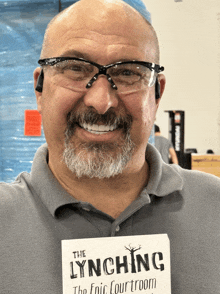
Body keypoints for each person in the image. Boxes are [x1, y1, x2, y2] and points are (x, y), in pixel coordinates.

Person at [1, 0, 220, 293]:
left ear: (157, 94)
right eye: (75, 68)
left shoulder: (214, 207)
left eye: (128, 72)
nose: (101, 102)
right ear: (39, 89)